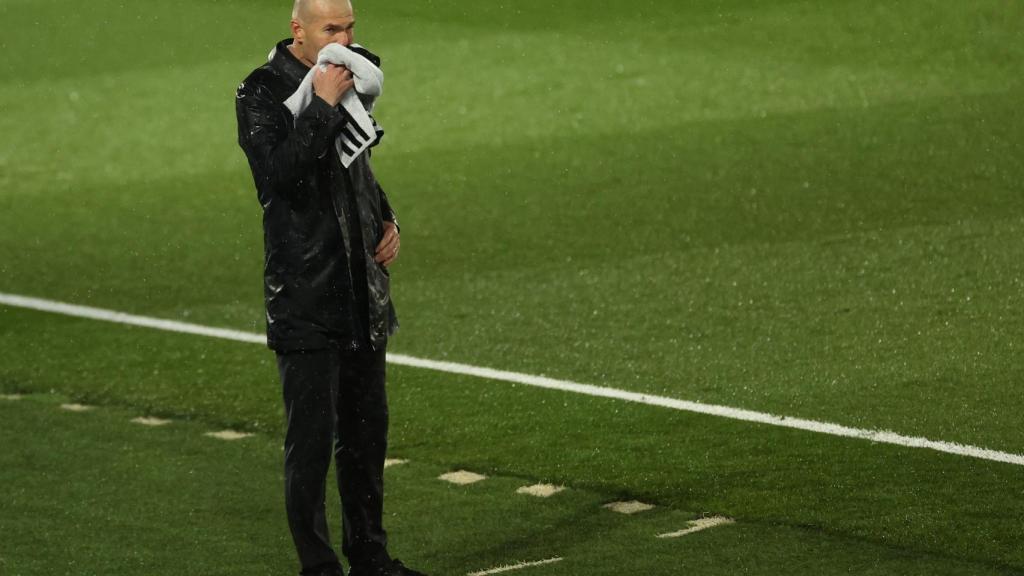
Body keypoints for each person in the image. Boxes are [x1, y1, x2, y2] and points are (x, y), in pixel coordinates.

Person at [234, 1, 426, 575]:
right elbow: (278, 179)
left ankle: (371, 557)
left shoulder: (346, 74)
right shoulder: (262, 91)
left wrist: (386, 218)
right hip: (306, 297)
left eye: (350, 28)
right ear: (299, 31)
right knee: (311, 448)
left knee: (367, 441)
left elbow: (356, 165)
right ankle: (319, 569)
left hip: (361, 290)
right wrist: (318, 104)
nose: (345, 39)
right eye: (331, 29)